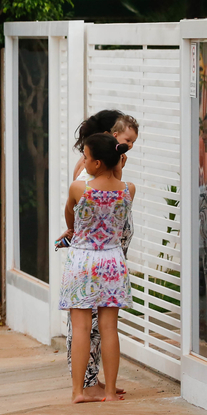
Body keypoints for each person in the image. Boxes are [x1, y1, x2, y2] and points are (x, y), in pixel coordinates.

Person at [62, 110, 139, 396]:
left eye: (85, 156)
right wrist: (117, 170)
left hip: (82, 261)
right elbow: (121, 210)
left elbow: (71, 220)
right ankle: (109, 392)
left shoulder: (78, 188)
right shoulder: (128, 189)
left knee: (81, 328)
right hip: (112, 261)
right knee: (109, 329)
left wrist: (71, 231)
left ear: (95, 161)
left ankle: (78, 391)